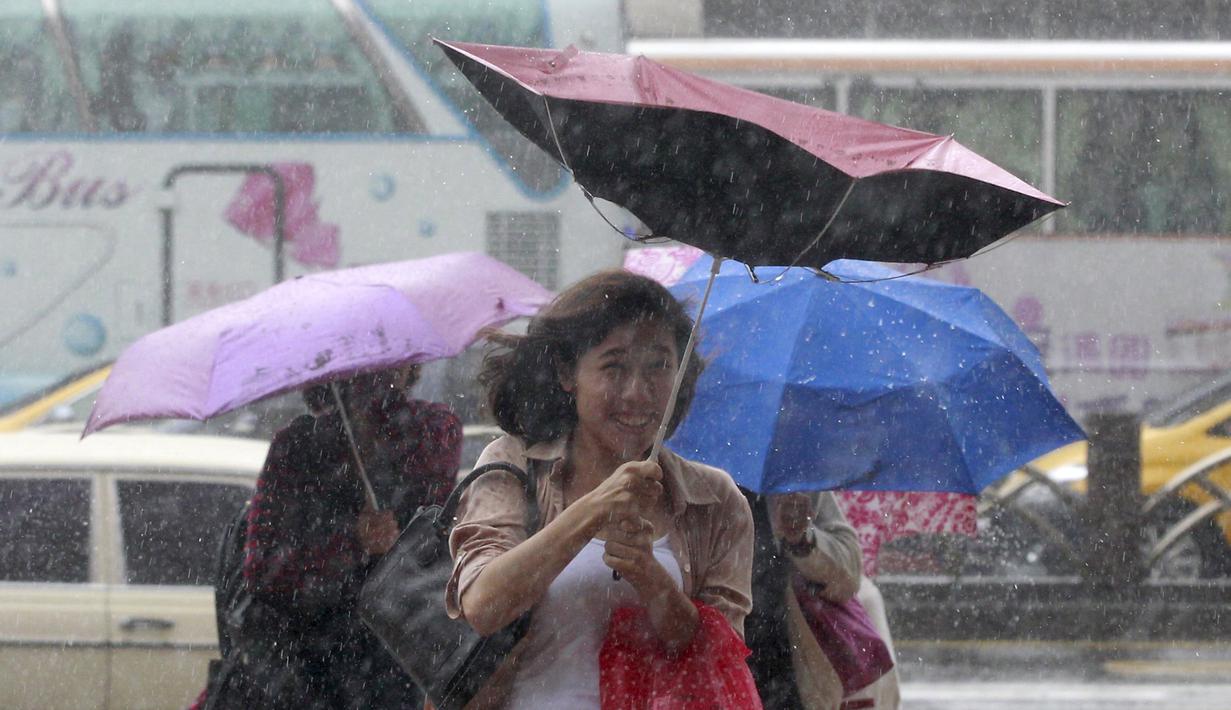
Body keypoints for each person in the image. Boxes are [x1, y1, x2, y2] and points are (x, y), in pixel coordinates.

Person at [446, 269, 755, 709]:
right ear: (566, 372)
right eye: (614, 367)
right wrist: (592, 510)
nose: (637, 392)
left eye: (659, 366)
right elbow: (483, 605)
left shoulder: (715, 500)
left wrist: (651, 576)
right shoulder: (513, 465)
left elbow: (720, 662)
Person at [238, 364, 462, 709]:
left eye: (392, 358)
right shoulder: (298, 447)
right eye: (366, 368)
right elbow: (263, 571)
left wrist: (395, 544)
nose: (379, 374)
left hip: (397, 664)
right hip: (307, 670)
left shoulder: (430, 431)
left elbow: (436, 547)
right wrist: (350, 544)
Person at [743, 489, 865, 710]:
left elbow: (849, 574)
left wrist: (802, 539)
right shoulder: (692, 478)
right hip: (712, 666)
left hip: (785, 666)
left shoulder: (797, 480)